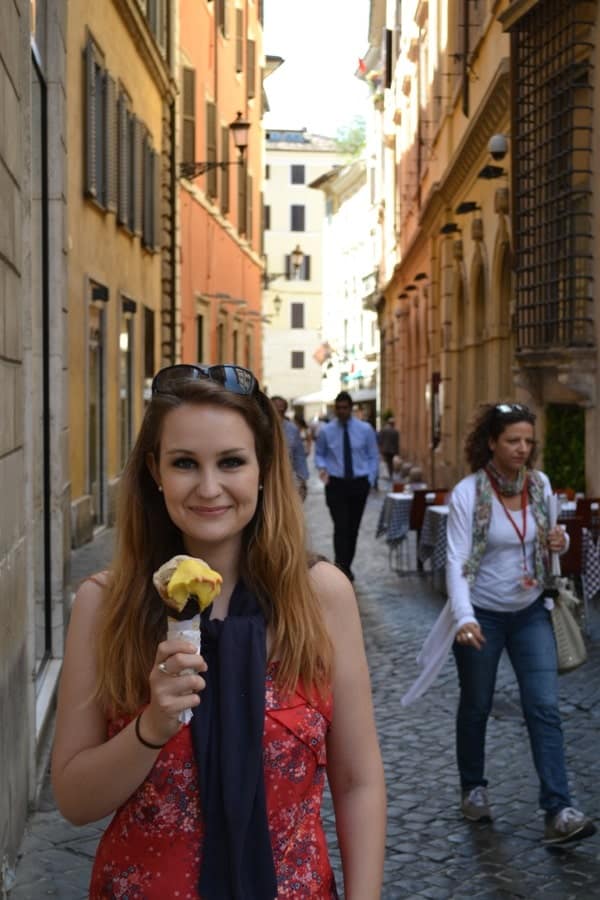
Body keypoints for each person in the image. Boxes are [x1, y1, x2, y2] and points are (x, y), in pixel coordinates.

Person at [51, 364, 386, 898]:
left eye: (231, 461)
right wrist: (151, 728)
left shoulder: (322, 597)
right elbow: (73, 799)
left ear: (262, 467)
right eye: (184, 463)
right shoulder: (104, 603)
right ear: (155, 472)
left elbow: (358, 781)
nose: (209, 488)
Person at [440, 402, 594, 844]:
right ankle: (474, 788)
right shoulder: (470, 493)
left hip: (531, 611)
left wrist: (558, 542)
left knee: (544, 707)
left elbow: (552, 549)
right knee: (477, 705)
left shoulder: (541, 486)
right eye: (513, 440)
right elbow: (455, 560)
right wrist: (464, 617)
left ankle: (559, 808)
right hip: (482, 613)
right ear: (491, 442)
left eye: (528, 440)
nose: (523, 448)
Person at [315, 390, 379, 582]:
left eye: (345, 408)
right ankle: (341, 568)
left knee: (353, 528)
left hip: (358, 483)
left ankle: (346, 565)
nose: (342, 411)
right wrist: (323, 468)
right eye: (339, 408)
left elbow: (372, 455)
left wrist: (370, 479)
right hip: (336, 484)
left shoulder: (365, 430)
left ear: (351, 408)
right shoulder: (326, 431)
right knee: (341, 526)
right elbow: (320, 453)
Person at [271, 395, 309, 500]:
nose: (279, 411)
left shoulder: (292, 429)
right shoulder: (260, 427)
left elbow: (299, 455)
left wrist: (302, 480)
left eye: (282, 409)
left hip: (288, 478)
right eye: (276, 408)